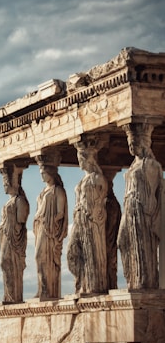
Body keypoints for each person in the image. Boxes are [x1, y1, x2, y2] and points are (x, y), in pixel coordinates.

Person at [117, 123, 162, 289]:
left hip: (142, 209)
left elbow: (157, 191)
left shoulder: (151, 165)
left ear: (143, 142)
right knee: (122, 241)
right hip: (129, 208)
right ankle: (133, 279)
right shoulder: (134, 165)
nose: (131, 146)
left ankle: (145, 281)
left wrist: (150, 210)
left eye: (134, 142)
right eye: (129, 142)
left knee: (142, 244)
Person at [67, 136, 108, 294]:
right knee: (73, 253)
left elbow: (100, 201)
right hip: (79, 221)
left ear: (88, 159)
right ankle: (82, 282)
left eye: (81, 158)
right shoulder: (83, 181)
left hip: (90, 222)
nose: (79, 162)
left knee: (91, 253)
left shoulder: (98, 178)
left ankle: (91, 286)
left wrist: (92, 215)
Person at [33, 164, 68, 299]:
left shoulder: (57, 190)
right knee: (39, 258)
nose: (42, 175)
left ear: (51, 173)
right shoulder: (43, 191)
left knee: (42, 257)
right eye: (41, 173)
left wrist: (52, 221)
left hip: (49, 229)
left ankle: (49, 291)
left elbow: (60, 212)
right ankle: (42, 289)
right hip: (40, 226)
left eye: (44, 173)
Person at [0, 164, 29, 303]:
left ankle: (14, 296)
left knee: (10, 263)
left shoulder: (19, 200)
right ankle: (9, 295)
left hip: (13, 237)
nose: (4, 185)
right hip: (5, 235)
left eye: (6, 182)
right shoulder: (10, 201)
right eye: (4, 183)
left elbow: (21, 220)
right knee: (4, 263)